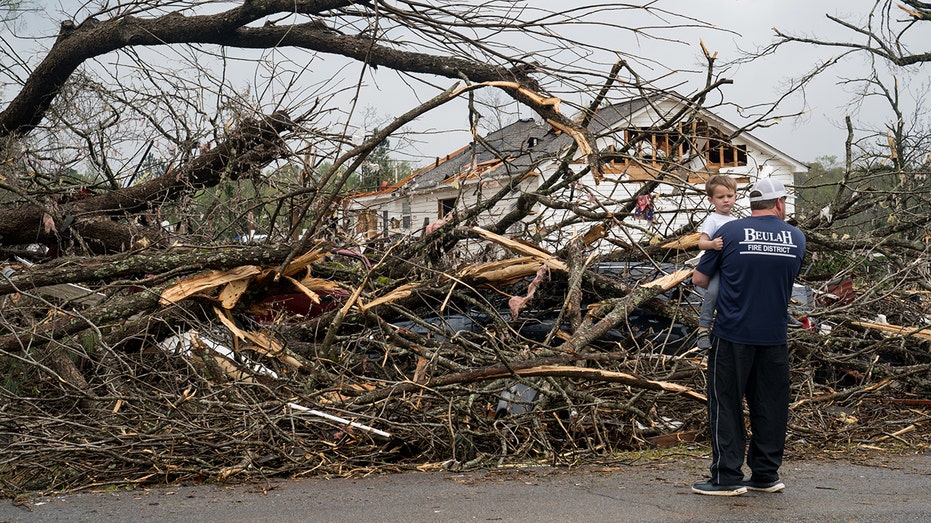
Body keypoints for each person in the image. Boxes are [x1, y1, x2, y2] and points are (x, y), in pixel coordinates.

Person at [690, 177, 806, 497]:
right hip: (774, 337)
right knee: (770, 405)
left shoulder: (728, 232)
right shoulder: (797, 238)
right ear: (779, 204)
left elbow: (700, 278)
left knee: (726, 403)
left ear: (750, 203)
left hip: (732, 334)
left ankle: (727, 477)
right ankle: (766, 475)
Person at [695, 175, 738, 349]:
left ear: (736, 196)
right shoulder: (712, 220)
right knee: (713, 292)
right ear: (711, 200)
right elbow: (700, 242)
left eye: (729, 196)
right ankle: (703, 329)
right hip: (717, 265)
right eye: (720, 197)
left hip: (733, 265)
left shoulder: (737, 221)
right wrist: (712, 244)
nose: (726, 200)